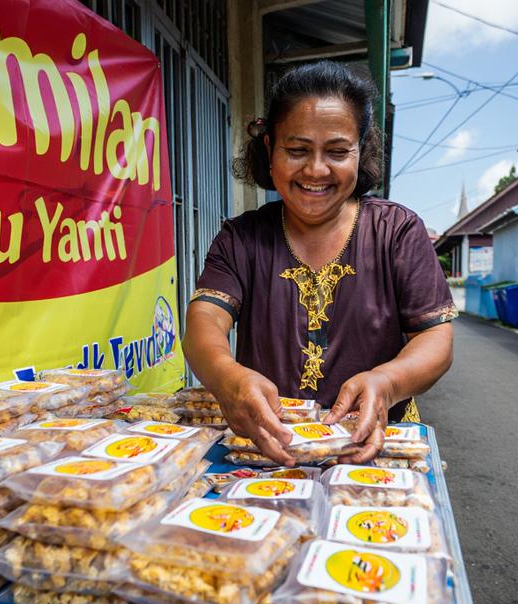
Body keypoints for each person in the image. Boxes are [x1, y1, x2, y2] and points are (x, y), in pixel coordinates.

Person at [182, 61, 456, 466]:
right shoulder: (241, 238)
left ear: (361, 152)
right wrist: (228, 378)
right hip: (271, 450)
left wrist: (388, 382)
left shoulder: (397, 231)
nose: (316, 169)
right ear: (269, 148)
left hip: (374, 450)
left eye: (338, 151)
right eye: (297, 150)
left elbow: (436, 340)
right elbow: (204, 322)